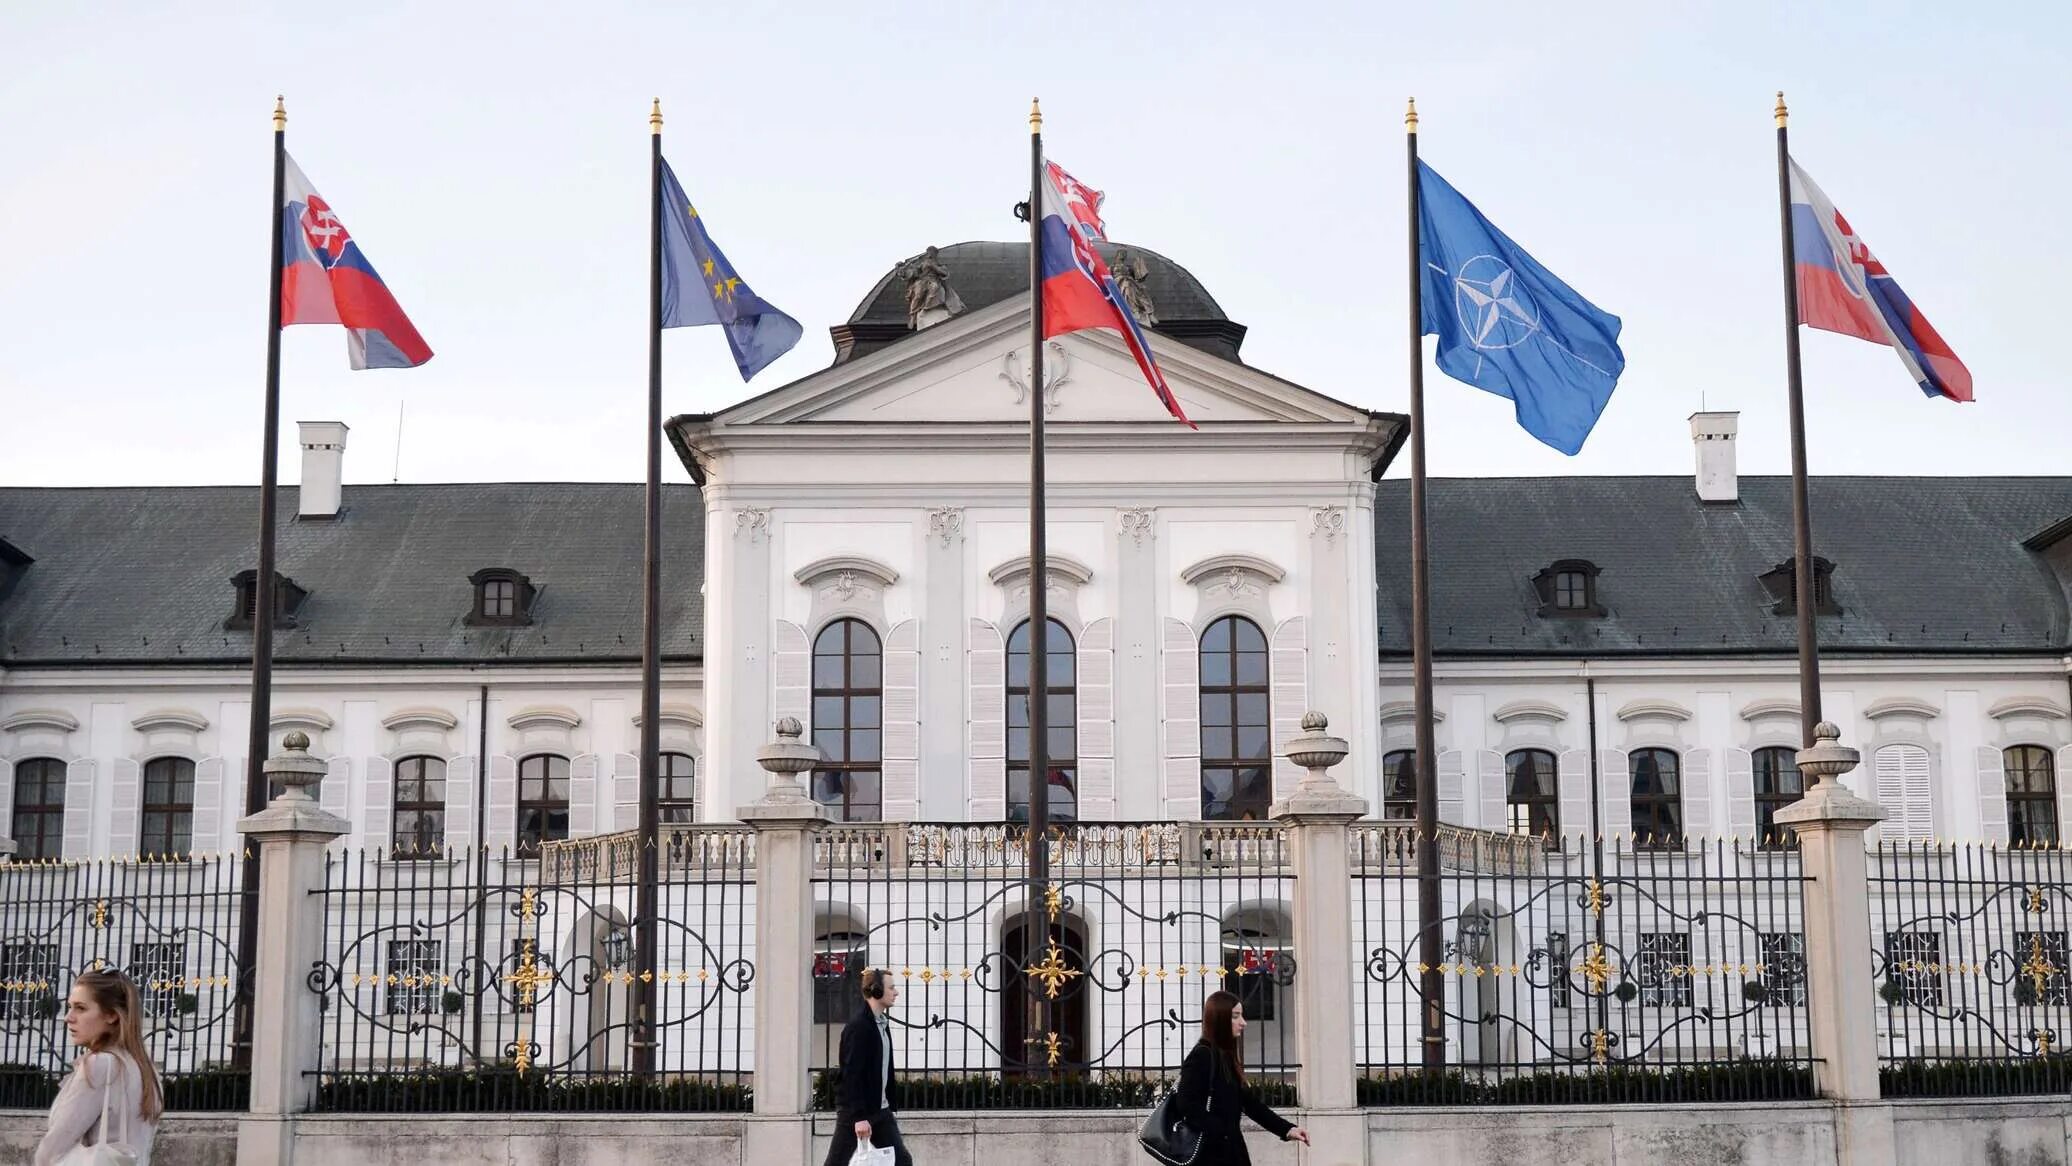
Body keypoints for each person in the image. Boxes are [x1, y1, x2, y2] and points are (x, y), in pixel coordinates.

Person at [37, 969, 161, 1166]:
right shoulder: (146, 1070)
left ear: (111, 1015)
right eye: (69, 1007)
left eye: (80, 1008)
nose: (68, 1017)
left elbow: (51, 1150)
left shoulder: (100, 1066)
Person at [1173, 990, 1307, 1166]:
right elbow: (1186, 1104)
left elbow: (1250, 1104)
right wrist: (1220, 1131)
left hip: (1231, 1152)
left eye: (1241, 1016)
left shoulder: (1224, 1057)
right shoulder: (1201, 1056)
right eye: (1235, 1016)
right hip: (1210, 1155)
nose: (1243, 1023)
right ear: (1219, 1020)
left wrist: (1287, 1129)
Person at [823, 967, 911, 1166]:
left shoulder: (881, 1024)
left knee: (902, 1161)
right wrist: (860, 1118)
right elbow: (851, 1075)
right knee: (836, 1163)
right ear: (876, 990)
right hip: (855, 1112)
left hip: (880, 1110)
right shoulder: (859, 1027)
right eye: (892, 988)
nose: (896, 992)